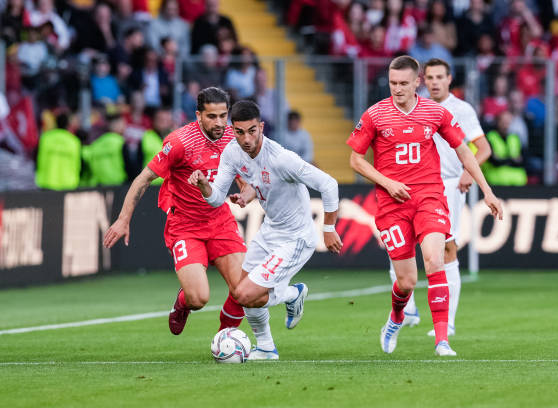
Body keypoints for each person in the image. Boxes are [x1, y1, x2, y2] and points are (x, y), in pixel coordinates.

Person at [347, 56, 503, 357]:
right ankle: (395, 318)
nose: (397, 89)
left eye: (403, 83)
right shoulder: (375, 114)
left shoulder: (436, 112)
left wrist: (487, 191)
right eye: (393, 83)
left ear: (416, 82)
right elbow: (355, 160)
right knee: (407, 281)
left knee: (435, 261)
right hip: (392, 204)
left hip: (430, 197)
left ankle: (442, 340)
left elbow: (465, 152)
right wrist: (387, 183)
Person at [189, 100, 342, 360]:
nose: (246, 139)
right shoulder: (232, 153)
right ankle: (266, 348)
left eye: (252, 131)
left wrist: (328, 228)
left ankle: (293, 293)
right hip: (270, 231)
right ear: (232, 130)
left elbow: (329, 184)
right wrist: (204, 184)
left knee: (244, 293)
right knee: (242, 292)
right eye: (240, 132)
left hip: (296, 238)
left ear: (261, 127)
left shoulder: (282, 159)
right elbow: (216, 198)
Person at [103, 87, 248, 336]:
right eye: (212, 116)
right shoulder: (180, 142)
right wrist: (123, 219)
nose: (219, 122)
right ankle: (182, 304)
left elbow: (244, 176)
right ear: (198, 115)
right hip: (185, 226)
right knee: (199, 298)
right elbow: (143, 179)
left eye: (223, 116)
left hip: (220, 221)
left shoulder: (233, 138)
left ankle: (225, 339)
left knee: (246, 290)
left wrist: (245, 192)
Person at [387, 58, 492, 337]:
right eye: (430, 77)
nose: (434, 82)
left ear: (449, 79)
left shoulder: (461, 109)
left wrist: (468, 173)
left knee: (447, 249)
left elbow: (483, 148)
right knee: (400, 244)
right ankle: (409, 310)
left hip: (447, 185)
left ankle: (449, 322)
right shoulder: (415, 105)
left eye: (439, 77)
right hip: (413, 184)